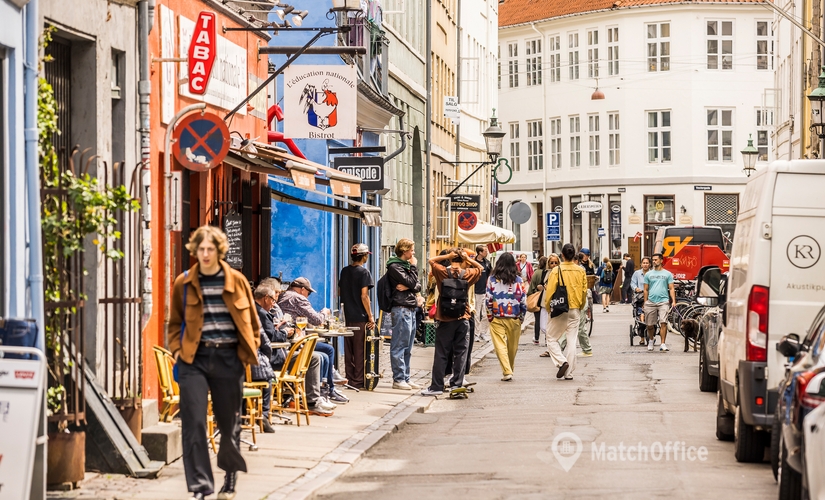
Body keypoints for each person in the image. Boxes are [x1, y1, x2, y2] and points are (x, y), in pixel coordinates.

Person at [168, 225, 261, 500]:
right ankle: (200, 486)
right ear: (194, 251)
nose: (205, 254)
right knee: (194, 422)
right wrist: (177, 350)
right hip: (193, 360)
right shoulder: (182, 283)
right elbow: (173, 322)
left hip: (228, 358)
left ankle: (229, 478)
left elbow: (254, 324)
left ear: (219, 250)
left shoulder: (237, 281)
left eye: (210, 249)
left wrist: (249, 348)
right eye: (201, 249)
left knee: (228, 422)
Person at [421, 248, 482, 396]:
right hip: (463, 317)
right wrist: (468, 260)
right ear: (463, 261)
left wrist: (447, 256)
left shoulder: (442, 272)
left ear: (451, 259)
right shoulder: (467, 274)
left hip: (444, 317)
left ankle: (436, 386)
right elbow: (480, 268)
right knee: (461, 352)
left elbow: (431, 261)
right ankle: (456, 384)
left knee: (441, 352)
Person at [278, 278, 349, 404]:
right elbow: (316, 319)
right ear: (302, 289)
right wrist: (324, 312)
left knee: (325, 352)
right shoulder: (298, 298)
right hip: (295, 342)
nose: (308, 296)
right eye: (308, 293)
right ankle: (327, 389)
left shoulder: (283, 296)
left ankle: (327, 385)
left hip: (291, 341)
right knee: (327, 351)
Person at [544, 243, 588, 381]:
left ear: (562, 255)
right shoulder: (580, 270)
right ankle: (569, 373)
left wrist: (547, 307)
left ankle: (561, 361)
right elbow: (583, 291)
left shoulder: (556, 270)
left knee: (551, 338)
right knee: (572, 341)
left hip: (560, 308)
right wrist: (580, 306)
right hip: (575, 308)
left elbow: (550, 291)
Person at [386, 238, 422, 390]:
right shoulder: (395, 266)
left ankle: (406, 377)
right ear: (404, 251)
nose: (413, 253)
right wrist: (413, 268)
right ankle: (398, 378)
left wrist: (409, 286)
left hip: (410, 307)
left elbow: (417, 286)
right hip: (401, 308)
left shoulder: (405, 266)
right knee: (399, 344)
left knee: (408, 346)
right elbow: (413, 283)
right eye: (412, 250)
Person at [485, 252, 527, 381]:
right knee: (512, 347)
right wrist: (521, 316)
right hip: (514, 317)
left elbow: (488, 299)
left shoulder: (492, 280)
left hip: (497, 316)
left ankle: (507, 370)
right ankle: (508, 369)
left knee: (500, 346)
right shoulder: (519, 281)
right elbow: (523, 301)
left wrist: (490, 315)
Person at [338, 243, 375, 390]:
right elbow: (364, 296)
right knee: (359, 350)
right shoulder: (364, 273)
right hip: (360, 316)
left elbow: (340, 292)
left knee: (349, 350)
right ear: (364, 256)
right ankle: (358, 381)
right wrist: (370, 316)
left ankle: (349, 378)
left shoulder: (345, 271)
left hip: (347, 315)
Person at [252, 283, 279, 434]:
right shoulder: (252, 315)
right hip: (247, 366)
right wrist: (264, 358)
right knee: (266, 377)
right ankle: (263, 414)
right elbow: (266, 343)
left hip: (223, 367)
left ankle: (243, 414)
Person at [644, 253, 676, 352]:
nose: (654, 261)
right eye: (653, 260)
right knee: (650, 325)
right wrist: (645, 302)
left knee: (663, 322)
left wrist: (673, 301)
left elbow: (671, 288)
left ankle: (663, 343)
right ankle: (651, 340)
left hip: (663, 301)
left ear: (661, 261)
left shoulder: (667, 274)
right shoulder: (648, 274)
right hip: (651, 301)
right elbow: (645, 289)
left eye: (656, 260)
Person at [537, 254, 560, 346]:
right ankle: (551, 341)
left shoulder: (560, 273)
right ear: (548, 264)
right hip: (544, 300)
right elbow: (541, 284)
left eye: (556, 263)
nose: (554, 264)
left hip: (556, 300)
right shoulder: (545, 272)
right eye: (552, 263)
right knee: (543, 326)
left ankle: (550, 344)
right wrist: (541, 287)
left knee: (553, 324)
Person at [528, 256, 549, 345]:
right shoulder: (549, 273)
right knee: (547, 320)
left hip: (537, 298)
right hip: (546, 298)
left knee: (538, 319)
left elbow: (532, 286)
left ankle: (536, 338)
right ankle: (547, 339)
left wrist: (529, 295)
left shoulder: (536, 273)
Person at [630, 257, 651, 346]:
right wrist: (636, 288)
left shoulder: (652, 274)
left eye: (647, 263)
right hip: (639, 297)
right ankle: (642, 337)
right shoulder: (637, 273)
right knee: (640, 317)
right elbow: (632, 283)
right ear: (641, 264)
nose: (645, 264)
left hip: (650, 297)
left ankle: (651, 336)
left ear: (649, 264)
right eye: (644, 263)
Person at [473, 245, 492, 341]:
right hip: (476, 291)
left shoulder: (487, 263)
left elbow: (490, 276)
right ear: (480, 252)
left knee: (486, 314)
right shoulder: (473, 263)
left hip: (486, 291)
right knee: (476, 314)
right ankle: (476, 334)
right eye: (485, 250)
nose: (487, 252)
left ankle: (483, 332)